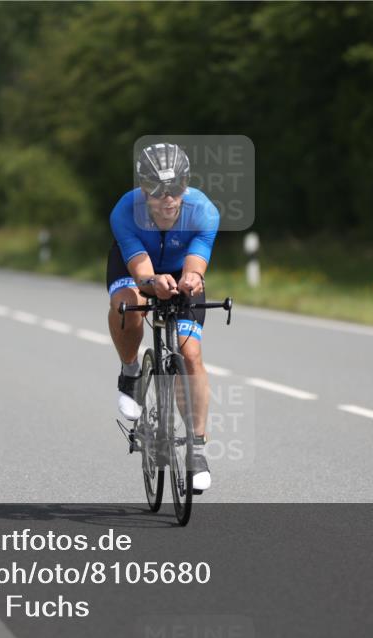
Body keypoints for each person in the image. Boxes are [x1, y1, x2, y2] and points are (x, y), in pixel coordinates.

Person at [107, 142, 220, 491]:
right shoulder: (125, 211)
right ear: (143, 188)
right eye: (157, 190)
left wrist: (191, 278)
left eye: (176, 189)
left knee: (190, 355)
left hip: (181, 270)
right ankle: (130, 372)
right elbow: (142, 272)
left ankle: (197, 450)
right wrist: (153, 282)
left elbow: (196, 262)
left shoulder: (204, 211)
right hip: (139, 270)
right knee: (128, 304)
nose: (168, 198)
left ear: (186, 184)